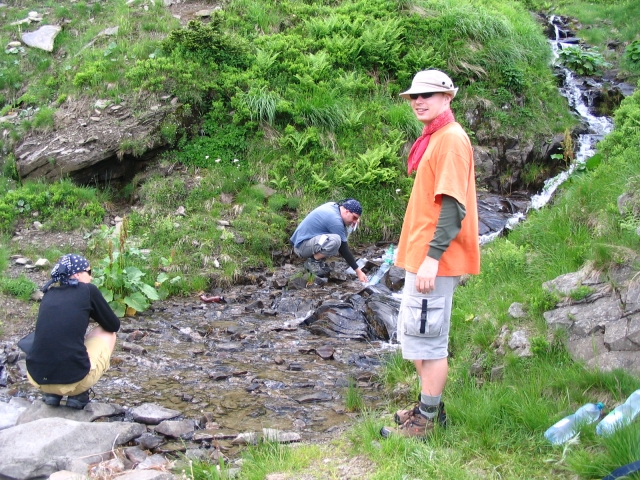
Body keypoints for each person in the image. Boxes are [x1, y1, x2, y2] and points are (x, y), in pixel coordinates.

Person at [381, 70, 480, 438]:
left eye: (428, 95)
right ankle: (428, 408)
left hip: (434, 261)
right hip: (423, 257)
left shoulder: (451, 140)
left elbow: (454, 206)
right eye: (413, 96)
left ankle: (427, 421)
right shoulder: (435, 138)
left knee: (429, 340)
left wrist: (433, 257)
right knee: (416, 337)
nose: (418, 101)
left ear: (447, 98)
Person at [26, 254, 120, 409]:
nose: (91, 277)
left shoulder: (49, 293)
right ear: (77, 274)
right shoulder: (88, 290)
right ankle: (78, 394)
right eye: (89, 272)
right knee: (107, 333)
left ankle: (52, 394)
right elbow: (113, 325)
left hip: (37, 378)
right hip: (73, 381)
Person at [290, 198, 369, 283]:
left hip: (305, 241)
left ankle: (317, 260)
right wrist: (358, 272)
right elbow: (343, 249)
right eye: (354, 218)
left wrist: (351, 224)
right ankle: (312, 261)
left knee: (336, 242)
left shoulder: (335, 206)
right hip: (301, 247)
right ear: (347, 211)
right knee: (335, 241)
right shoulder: (334, 219)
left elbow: (343, 236)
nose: (355, 221)